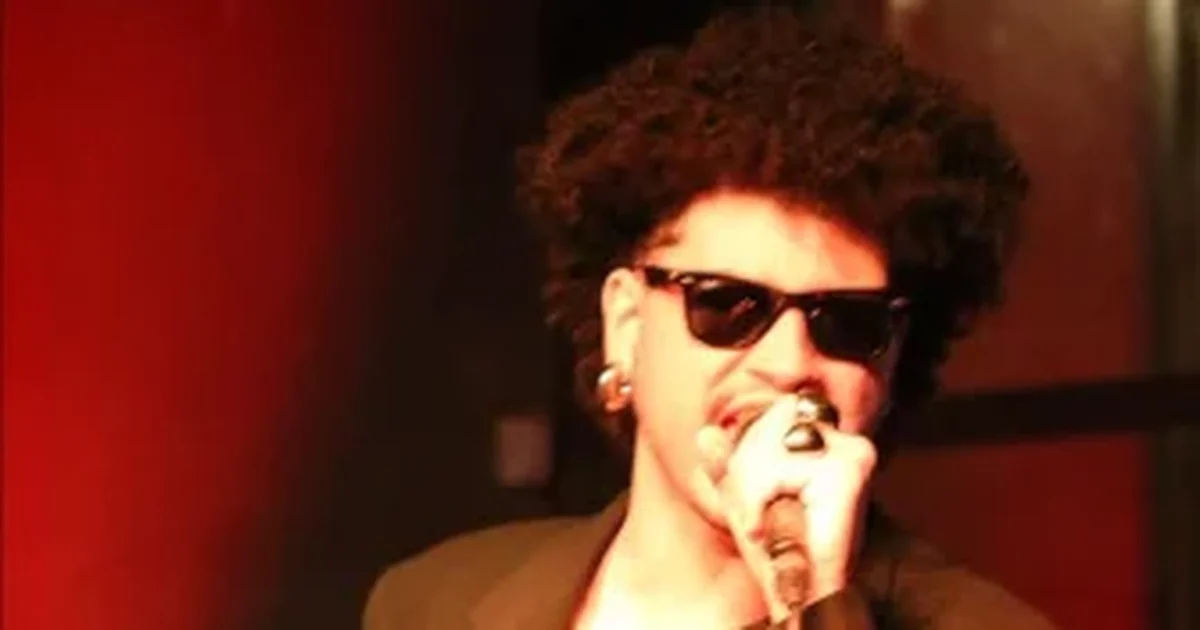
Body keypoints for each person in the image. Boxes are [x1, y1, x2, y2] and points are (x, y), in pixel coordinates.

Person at [364, 6, 1058, 629]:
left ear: (892, 362)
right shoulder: (431, 601)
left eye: (847, 323)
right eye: (727, 306)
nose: (790, 363)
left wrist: (813, 601)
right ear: (627, 324)